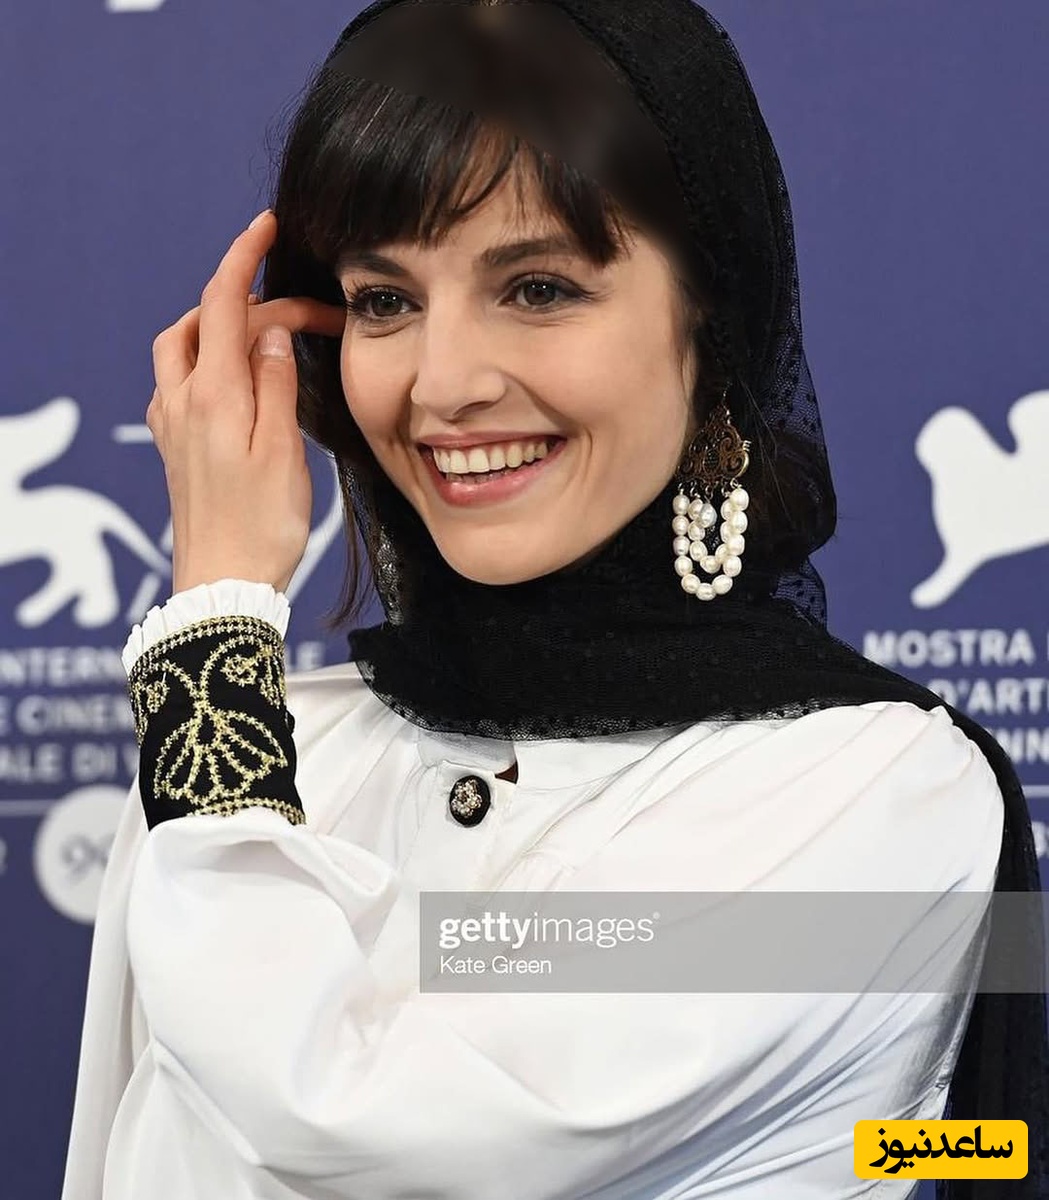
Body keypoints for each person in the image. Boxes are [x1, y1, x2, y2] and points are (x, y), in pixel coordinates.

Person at [61, 1, 1047, 1197]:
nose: (442, 383)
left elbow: (355, 1127)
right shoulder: (273, 747)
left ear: (708, 320)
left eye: (535, 288)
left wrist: (218, 614)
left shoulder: (878, 795)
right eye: (383, 300)